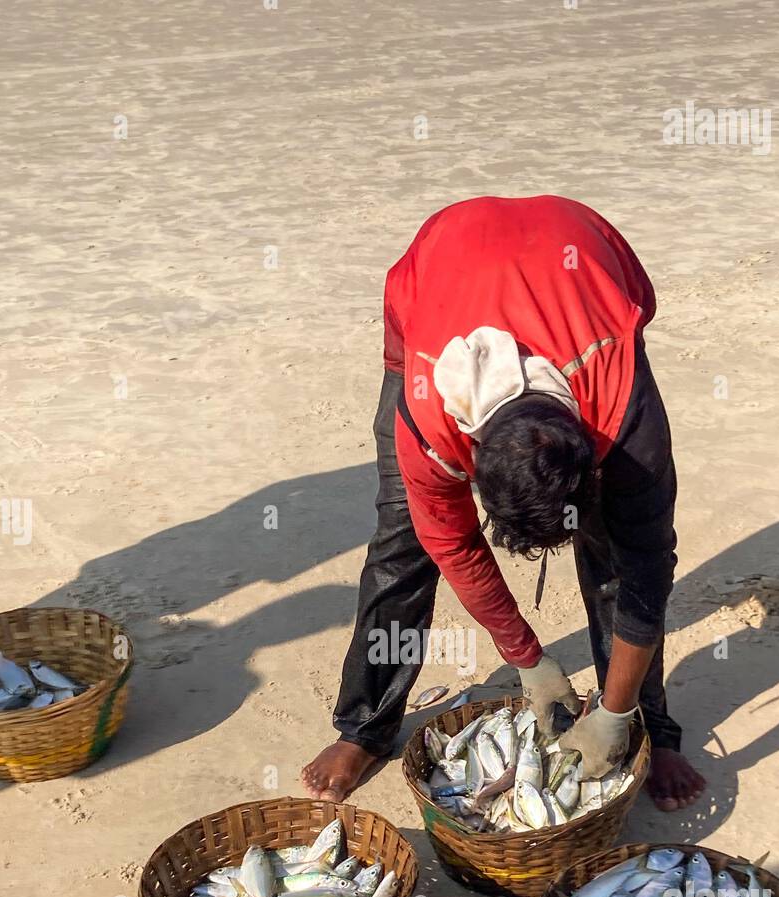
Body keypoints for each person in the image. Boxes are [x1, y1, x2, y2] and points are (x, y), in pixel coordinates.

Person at [302, 195, 705, 811]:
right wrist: (527, 658)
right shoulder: (428, 423)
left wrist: (616, 713)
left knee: (619, 557)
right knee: (402, 540)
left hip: (583, 261)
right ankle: (363, 727)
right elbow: (454, 545)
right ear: (470, 457)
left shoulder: (622, 406)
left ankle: (645, 724)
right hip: (435, 277)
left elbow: (649, 567)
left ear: (593, 451)